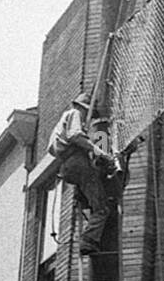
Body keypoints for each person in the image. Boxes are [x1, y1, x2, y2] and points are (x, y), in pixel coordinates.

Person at [47, 92, 117, 255]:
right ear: (84, 108)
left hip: (69, 167)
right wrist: (98, 151)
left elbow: (53, 148)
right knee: (101, 209)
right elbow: (75, 135)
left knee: (89, 189)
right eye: (90, 114)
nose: (89, 118)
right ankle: (88, 241)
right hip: (78, 164)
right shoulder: (74, 114)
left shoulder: (60, 125)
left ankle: (84, 199)